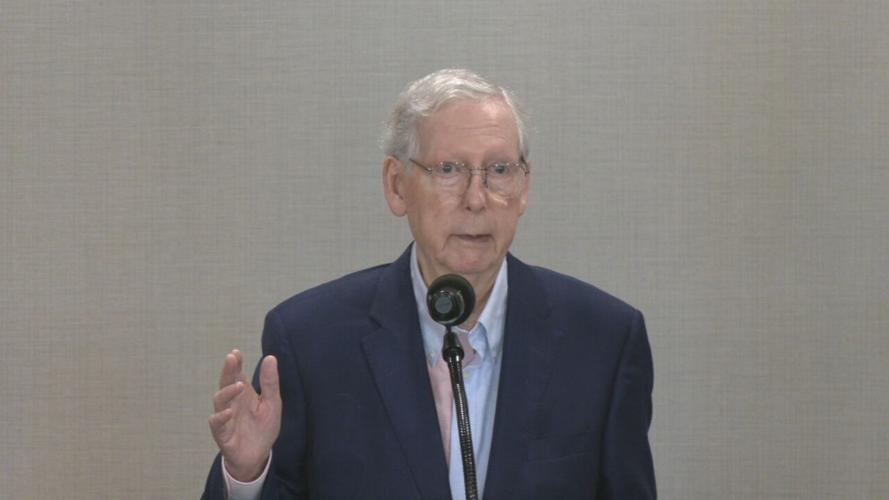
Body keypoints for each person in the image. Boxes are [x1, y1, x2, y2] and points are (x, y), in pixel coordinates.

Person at [201, 68, 656, 500]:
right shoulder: (310, 342)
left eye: (498, 170)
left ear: (524, 188)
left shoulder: (604, 342)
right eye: (449, 170)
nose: (476, 199)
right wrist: (247, 476)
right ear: (397, 186)